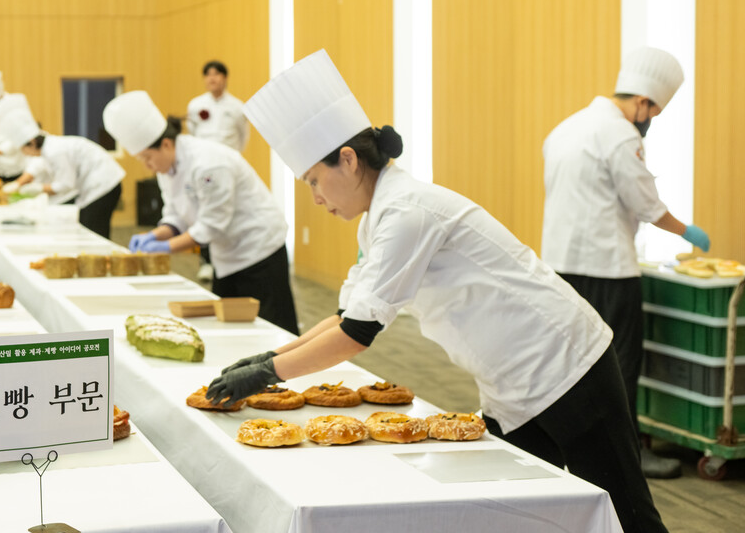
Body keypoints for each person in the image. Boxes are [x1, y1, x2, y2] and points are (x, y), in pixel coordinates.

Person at [207, 50, 668, 533]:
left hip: (565, 364)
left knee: (628, 515)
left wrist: (268, 374)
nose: (316, 197)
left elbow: (356, 335)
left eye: (315, 181)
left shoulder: (407, 211)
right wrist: (267, 357)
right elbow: (344, 316)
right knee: (521, 511)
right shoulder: (378, 221)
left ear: (348, 160)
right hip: (512, 381)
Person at [542, 46, 708, 479]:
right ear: (643, 102)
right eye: (653, 109)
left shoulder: (566, 128)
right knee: (618, 366)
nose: (649, 118)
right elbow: (645, 203)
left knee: (568, 360)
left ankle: (570, 445)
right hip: (609, 269)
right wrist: (685, 231)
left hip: (561, 265)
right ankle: (628, 455)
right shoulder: (620, 134)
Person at [103, 91, 298, 334]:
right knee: (231, 327)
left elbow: (211, 225)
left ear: (166, 144)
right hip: (225, 254)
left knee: (274, 329)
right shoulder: (167, 168)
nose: (147, 166)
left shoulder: (209, 163)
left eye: (147, 158)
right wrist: (155, 235)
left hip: (258, 247)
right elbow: (176, 216)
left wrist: (167, 248)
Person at [2, 108, 125, 240]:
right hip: (99, 185)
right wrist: (19, 184)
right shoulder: (49, 147)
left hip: (104, 186)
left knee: (94, 230)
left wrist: (39, 188)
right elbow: (38, 167)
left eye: (23, 149)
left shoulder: (55, 151)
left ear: (32, 143)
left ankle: (100, 258)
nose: (23, 153)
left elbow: (66, 184)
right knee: (89, 225)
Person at [186, 60, 250, 282]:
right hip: (204, 168)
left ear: (225, 78)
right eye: (208, 75)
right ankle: (205, 261)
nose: (212, 79)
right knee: (204, 212)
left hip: (228, 165)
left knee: (227, 212)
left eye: (217, 74)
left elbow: (243, 137)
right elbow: (192, 134)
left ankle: (229, 257)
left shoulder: (237, 106)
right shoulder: (195, 105)